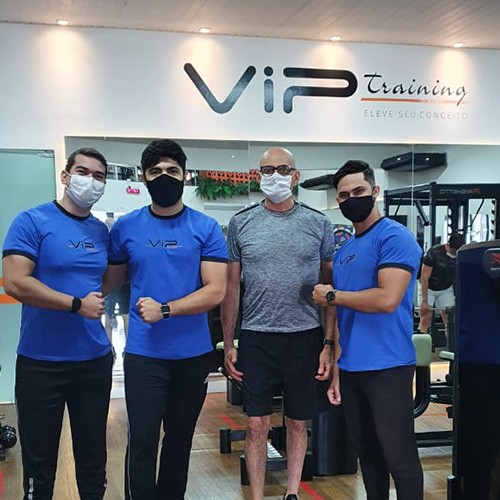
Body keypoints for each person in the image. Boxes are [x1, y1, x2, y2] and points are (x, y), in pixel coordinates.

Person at [104, 139, 228, 500]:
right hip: (145, 355)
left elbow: (216, 290)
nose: (164, 176)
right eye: (155, 171)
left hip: (193, 355)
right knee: (142, 439)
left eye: (172, 170)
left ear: (185, 175)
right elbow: (108, 281)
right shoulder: (126, 227)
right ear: (144, 177)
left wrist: (166, 309)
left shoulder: (205, 227)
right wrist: (68, 298)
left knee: (179, 440)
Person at [222, 147, 335, 500]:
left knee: (297, 422)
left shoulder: (318, 223)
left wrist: (328, 344)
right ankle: (256, 496)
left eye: (283, 169)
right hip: (257, 337)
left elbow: (330, 291)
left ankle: (292, 493)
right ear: (258, 176)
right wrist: (229, 342)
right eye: (267, 170)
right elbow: (231, 288)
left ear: (295, 176)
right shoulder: (241, 223)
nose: (275, 176)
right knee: (256, 423)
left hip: (304, 337)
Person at [2, 148, 113, 500]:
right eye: (83, 172)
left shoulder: (101, 232)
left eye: (99, 176)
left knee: (93, 460)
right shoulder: (31, 221)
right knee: (40, 465)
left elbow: (105, 280)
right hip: (41, 363)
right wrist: (76, 304)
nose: (90, 181)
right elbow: (15, 282)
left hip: (93, 361)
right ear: (65, 176)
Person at [313, 160, 424, 500]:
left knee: (398, 455)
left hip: (388, 366)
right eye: (344, 195)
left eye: (358, 191)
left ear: (375, 191)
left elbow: (387, 299)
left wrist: (331, 295)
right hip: (352, 369)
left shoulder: (394, 237)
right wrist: (336, 367)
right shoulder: (345, 250)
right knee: (369, 456)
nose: (351, 199)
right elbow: (342, 317)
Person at [418, 232, 466, 334]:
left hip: (445, 289)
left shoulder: (460, 255)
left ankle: (451, 342)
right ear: (449, 245)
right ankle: (422, 342)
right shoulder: (434, 253)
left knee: (450, 319)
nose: (455, 254)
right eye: (454, 251)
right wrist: (424, 301)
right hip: (429, 288)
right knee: (426, 317)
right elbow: (424, 277)